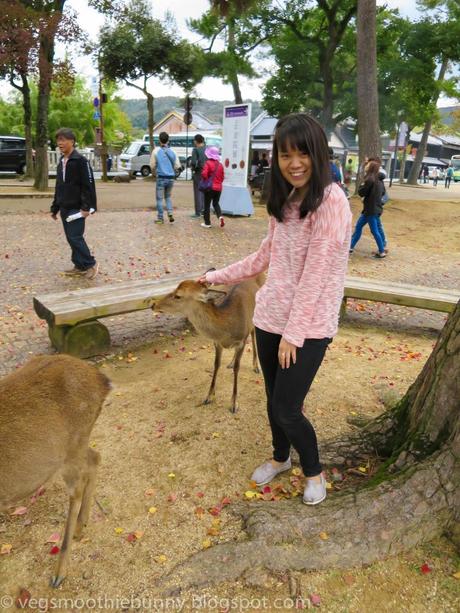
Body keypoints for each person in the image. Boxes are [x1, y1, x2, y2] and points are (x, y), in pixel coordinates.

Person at [198, 113, 352, 506]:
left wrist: (294, 334)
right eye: (285, 155)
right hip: (269, 318)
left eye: (302, 153)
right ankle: (280, 457)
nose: (294, 163)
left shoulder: (332, 202)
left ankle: (313, 471)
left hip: (309, 326)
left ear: (318, 154)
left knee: (287, 408)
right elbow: (265, 256)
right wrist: (216, 276)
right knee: (272, 399)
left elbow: (317, 276)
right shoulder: (285, 200)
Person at [50, 127, 98, 279]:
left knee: (75, 237)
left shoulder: (80, 161)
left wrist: (86, 207)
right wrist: (55, 207)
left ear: (72, 142)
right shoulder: (62, 162)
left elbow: (88, 185)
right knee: (71, 238)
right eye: (58, 140)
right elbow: (59, 186)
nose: (60, 143)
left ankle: (91, 264)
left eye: (63, 140)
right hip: (65, 206)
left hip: (77, 208)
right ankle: (79, 265)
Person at [350, 160, 386, 258]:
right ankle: (350, 247)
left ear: (371, 168)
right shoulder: (379, 180)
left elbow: (361, 192)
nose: (366, 166)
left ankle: (382, 251)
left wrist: (362, 188)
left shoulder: (370, 179)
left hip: (371, 210)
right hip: (372, 209)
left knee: (374, 230)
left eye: (368, 165)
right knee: (358, 227)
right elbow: (383, 192)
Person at [150, 131, 181, 224]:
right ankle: (170, 213)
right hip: (171, 178)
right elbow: (177, 166)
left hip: (161, 178)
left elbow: (152, 165)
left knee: (159, 199)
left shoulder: (156, 151)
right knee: (168, 197)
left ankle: (160, 218)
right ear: (168, 140)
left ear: (159, 140)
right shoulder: (173, 151)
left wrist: (155, 171)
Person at [200, 146, 225, 229]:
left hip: (210, 188)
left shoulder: (208, 163)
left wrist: (206, 179)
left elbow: (204, 174)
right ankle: (220, 216)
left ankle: (207, 223)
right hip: (219, 188)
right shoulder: (220, 165)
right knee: (216, 203)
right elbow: (222, 177)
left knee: (207, 205)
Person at [190, 134, 207, 218]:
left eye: (194, 140)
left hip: (198, 172)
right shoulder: (207, 149)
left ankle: (198, 212)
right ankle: (204, 210)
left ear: (196, 141)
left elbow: (193, 162)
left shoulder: (195, 150)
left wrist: (192, 168)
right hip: (207, 173)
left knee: (197, 192)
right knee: (205, 192)